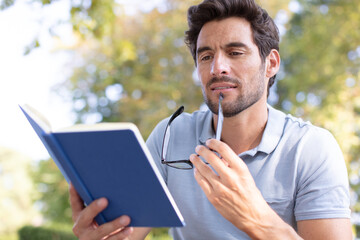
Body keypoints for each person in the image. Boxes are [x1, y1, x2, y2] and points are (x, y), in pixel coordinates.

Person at [69, 0, 352, 239]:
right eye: (205, 56)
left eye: (235, 53)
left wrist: (257, 219)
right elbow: (125, 231)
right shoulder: (171, 135)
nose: (218, 68)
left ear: (271, 64)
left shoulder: (312, 148)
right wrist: (102, 231)